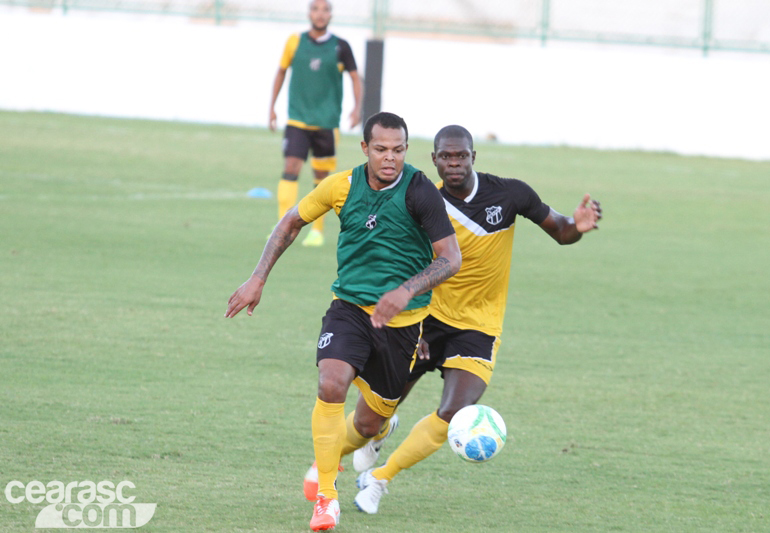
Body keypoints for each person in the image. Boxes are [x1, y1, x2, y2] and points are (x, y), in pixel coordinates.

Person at [225, 112, 461, 532]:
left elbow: (450, 258)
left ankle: (380, 428)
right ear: (365, 148)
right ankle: (327, 501)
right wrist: (258, 277)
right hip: (349, 308)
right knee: (330, 383)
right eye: (382, 149)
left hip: (403, 324)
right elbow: (291, 221)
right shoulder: (341, 185)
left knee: (370, 422)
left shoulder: (421, 191)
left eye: (399, 150)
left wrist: (406, 290)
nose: (391, 158)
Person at [351, 125, 603, 514]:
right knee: (376, 410)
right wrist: (409, 320)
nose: (454, 163)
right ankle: (380, 429)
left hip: (479, 326)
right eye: (446, 157)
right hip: (426, 319)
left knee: (453, 413)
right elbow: (400, 263)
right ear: (434, 160)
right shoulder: (422, 201)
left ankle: (380, 479)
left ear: (473, 157)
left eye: (461, 156)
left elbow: (561, 230)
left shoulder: (510, 193)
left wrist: (578, 226)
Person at [269, 0, 363, 247]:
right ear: (309, 13)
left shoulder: (340, 47)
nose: (320, 14)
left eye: (325, 9)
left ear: (331, 14)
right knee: (290, 169)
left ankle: (317, 232)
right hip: (297, 120)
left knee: (322, 179)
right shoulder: (294, 42)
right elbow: (280, 72)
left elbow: (355, 77)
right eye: (315, 9)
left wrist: (357, 108)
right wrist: (271, 107)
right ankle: (282, 228)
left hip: (326, 124)